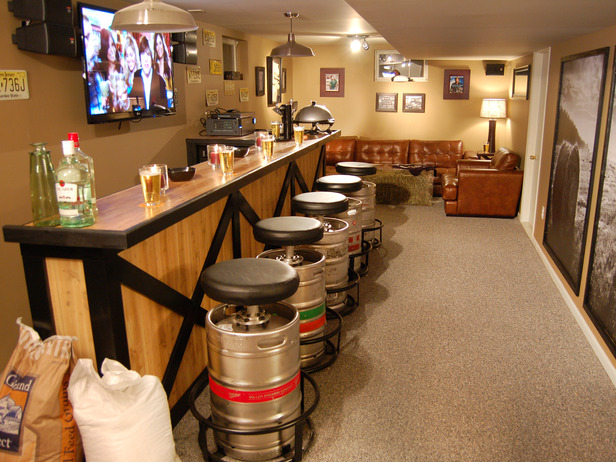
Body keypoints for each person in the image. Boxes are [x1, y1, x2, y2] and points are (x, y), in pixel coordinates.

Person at [129, 36, 168, 110]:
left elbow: (164, 109)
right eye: (143, 54)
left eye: (148, 54)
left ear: (151, 58)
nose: (146, 59)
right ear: (140, 58)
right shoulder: (137, 75)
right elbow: (132, 103)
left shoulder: (160, 81)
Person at [93, 28, 128, 112]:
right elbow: (102, 105)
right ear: (104, 50)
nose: (112, 50)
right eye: (108, 47)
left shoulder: (121, 69)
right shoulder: (101, 74)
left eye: (112, 45)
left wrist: (124, 98)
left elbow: (127, 105)